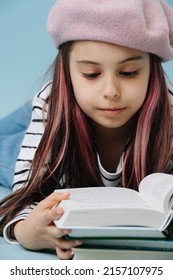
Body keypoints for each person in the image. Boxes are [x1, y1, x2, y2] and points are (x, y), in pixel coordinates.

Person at [0, 0, 173, 260]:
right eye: (91, 74)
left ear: (153, 71)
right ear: (67, 74)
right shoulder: (52, 107)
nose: (111, 91)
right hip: (54, 119)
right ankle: (30, 109)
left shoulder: (168, 110)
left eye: (129, 72)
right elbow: (23, 192)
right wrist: (25, 231)